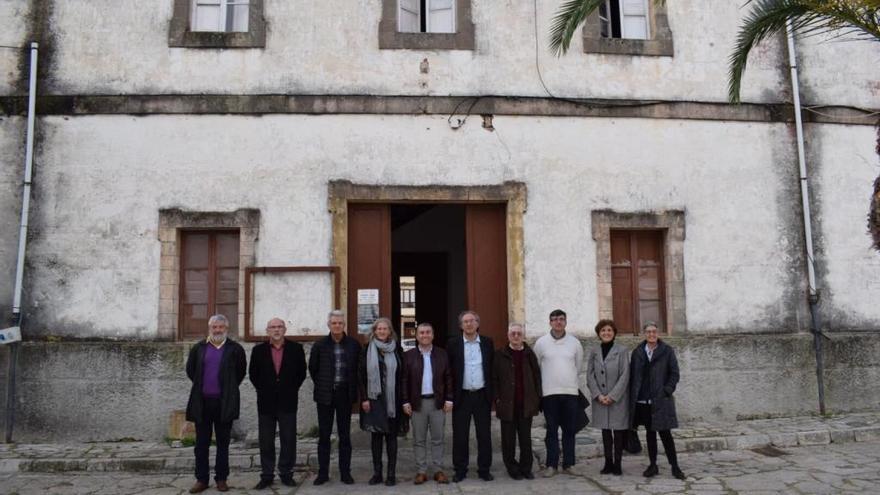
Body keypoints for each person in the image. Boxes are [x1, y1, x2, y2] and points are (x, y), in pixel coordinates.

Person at [185, 314, 247, 494]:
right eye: (214, 327)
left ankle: (221, 479)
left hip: (224, 403)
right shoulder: (199, 348)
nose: (218, 330)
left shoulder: (235, 349)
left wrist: (227, 388)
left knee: (223, 443)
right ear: (209, 328)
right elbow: (191, 371)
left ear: (226, 329)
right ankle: (201, 479)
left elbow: (240, 373)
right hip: (202, 403)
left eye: (221, 327)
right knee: (201, 444)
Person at [249, 318, 307, 489]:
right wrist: (264, 389)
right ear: (267, 331)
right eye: (273, 327)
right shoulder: (258, 350)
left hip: (288, 401)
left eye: (279, 327)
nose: (276, 330)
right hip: (266, 402)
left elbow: (301, 373)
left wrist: (289, 389)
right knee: (266, 440)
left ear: (285, 329)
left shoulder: (296, 349)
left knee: (288, 439)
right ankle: (267, 475)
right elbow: (253, 374)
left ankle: (286, 473)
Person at [308, 310, 361, 485]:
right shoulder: (320, 345)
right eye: (334, 323)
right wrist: (325, 385)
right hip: (325, 395)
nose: (337, 326)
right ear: (328, 325)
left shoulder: (353, 345)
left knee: (344, 435)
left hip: (345, 394)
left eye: (340, 323)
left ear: (344, 325)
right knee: (324, 435)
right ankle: (323, 473)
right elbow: (313, 369)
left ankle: (345, 472)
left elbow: (358, 370)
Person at [629, 321, 686, 480]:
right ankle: (653, 465)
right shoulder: (638, 352)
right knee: (649, 434)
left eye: (654, 331)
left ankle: (675, 466)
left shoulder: (667, 351)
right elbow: (633, 376)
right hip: (643, 401)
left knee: (666, 434)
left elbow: (674, 374)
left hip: (660, 400)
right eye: (648, 332)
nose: (651, 334)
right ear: (644, 334)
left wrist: (667, 390)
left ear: (658, 333)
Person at [533, 309, 584, 477]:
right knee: (551, 430)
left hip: (570, 392)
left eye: (561, 319)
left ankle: (569, 464)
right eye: (554, 319)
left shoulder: (575, 343)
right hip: (549, 394)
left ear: (566, 322)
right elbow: (536, 368)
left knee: (570, 430)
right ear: (550, 322)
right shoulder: (541, 343)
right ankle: (551, 465)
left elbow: (578, 366)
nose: (558, 322)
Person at [402, 322, 454, 485]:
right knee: (419, 439)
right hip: (418, 403)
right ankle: (421, 471)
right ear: (417, 336)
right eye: (422, 333)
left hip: (437, 402)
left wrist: (449, 398)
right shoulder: (409, 356)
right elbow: (404, 380)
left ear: (433, 335)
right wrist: (405, 401)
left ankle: (438, 469)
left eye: (428, 332)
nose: (425, 335)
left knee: (438, 438)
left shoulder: (442, 354)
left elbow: (448, 377)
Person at [447, 310, 495, 482]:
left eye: (472, 321)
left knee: (484, 434)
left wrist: (493, 395)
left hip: (482, 395)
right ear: (461, 326)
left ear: (478, 324)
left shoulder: (488, 343)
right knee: (460, 435)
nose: (469, 324)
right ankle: (460, 469)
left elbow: (492, 370)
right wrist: (450, 396)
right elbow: (449, 372)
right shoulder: (453, 344)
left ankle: (484, 469)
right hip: (462, 396)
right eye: (465, 321)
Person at [358, 317, 406, 486]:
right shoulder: (367, 350)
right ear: (374, 331)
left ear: (390, 331)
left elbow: (402, 376)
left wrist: (404, 399)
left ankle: (391, 474)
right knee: (376, 437)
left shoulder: (397, 349)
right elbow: (361, 376)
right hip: (374, 399)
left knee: (391, 438)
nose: (382, 331)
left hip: (393, 400)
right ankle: (377, 473)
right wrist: (364, 398)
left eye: (385, 329)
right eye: (379, 329)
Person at [492, 323, 542, 480]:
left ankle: (526, 468)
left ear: (523, 336)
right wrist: (496, 400)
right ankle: (512, 468)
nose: (515, 336)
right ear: (508, 335)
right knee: (508, 439)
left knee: (525, 438)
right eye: (513, 333)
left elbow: (537, 377)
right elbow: (494, 379)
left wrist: (538, 399)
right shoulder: (500, 354)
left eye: (519, 333)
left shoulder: (529, 354)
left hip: (526, 403)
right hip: (507, 404)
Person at [586, 319, 630, 476]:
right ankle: (608, 463)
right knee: (605, 432)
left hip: (617, 399)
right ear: (599, 333)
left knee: (618, 432)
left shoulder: (622, 350)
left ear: (614, 333)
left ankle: (617, 464)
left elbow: (625, 375)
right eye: (603, 330)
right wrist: (598, 395)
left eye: (609, 330)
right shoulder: (594, 351)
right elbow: (589, 374)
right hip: (600, 399)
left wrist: (612, 396)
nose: (606, 333)